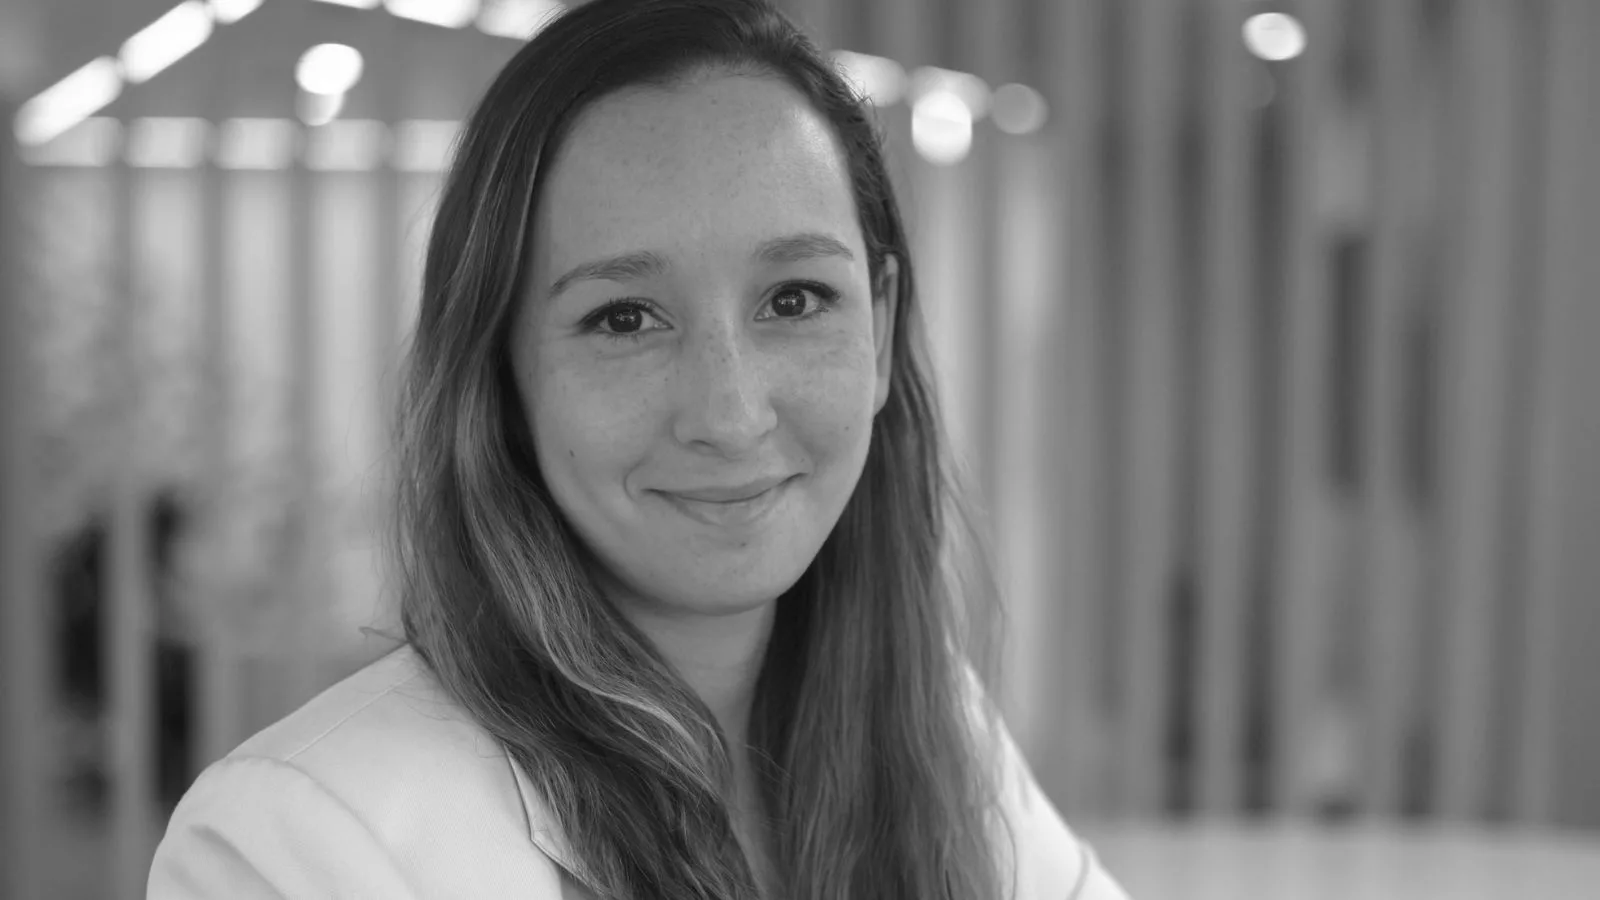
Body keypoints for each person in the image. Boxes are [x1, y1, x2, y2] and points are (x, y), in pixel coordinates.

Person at [147, 0, 1130, 897]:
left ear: (877, 324)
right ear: (499, 377)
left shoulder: (932, 734)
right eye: (624, 318)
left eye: (794, 299)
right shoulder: (303, 842)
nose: (731, 414)